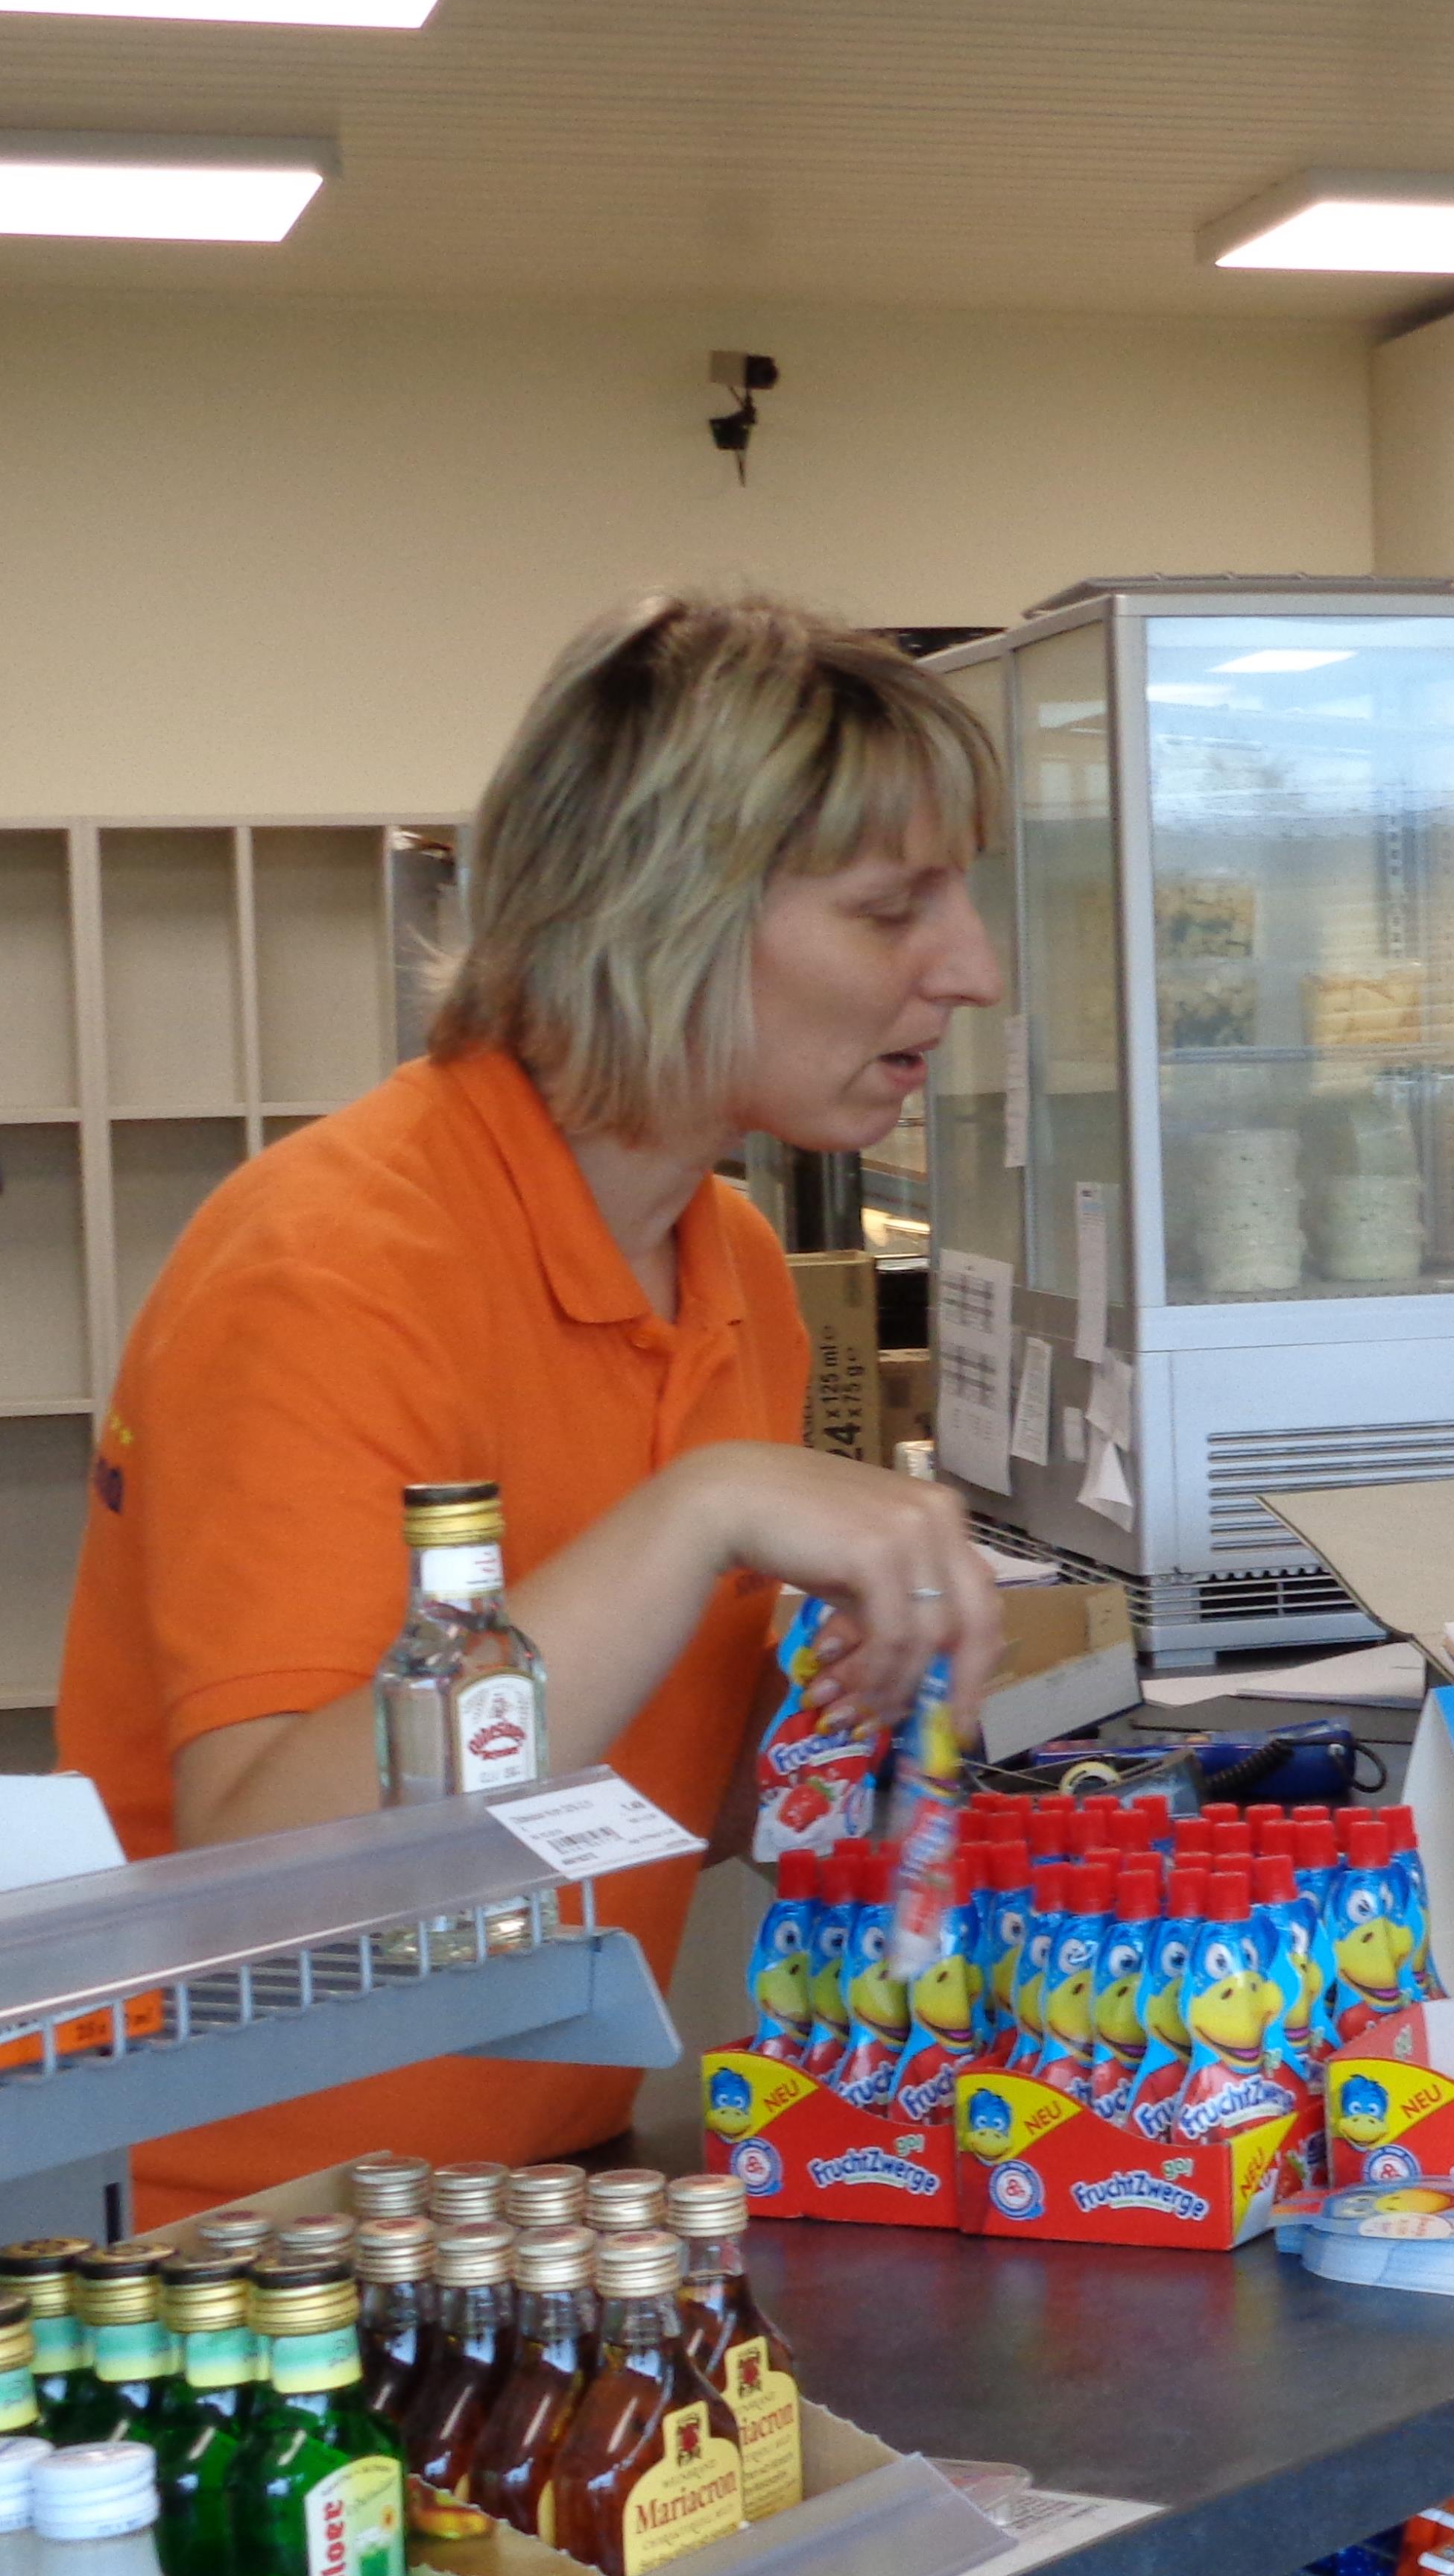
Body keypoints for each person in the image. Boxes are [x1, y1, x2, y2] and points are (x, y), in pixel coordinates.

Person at [59, 593, 1011, 2214]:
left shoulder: (728, 1262)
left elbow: (623, 1789)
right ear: (662, 912)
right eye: (886, 911)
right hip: (233, 2244)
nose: (972, 970)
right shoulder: (326, 1265)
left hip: (539, 2204)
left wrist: (866, 1720)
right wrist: (701, 1509)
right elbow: (278, 1877)